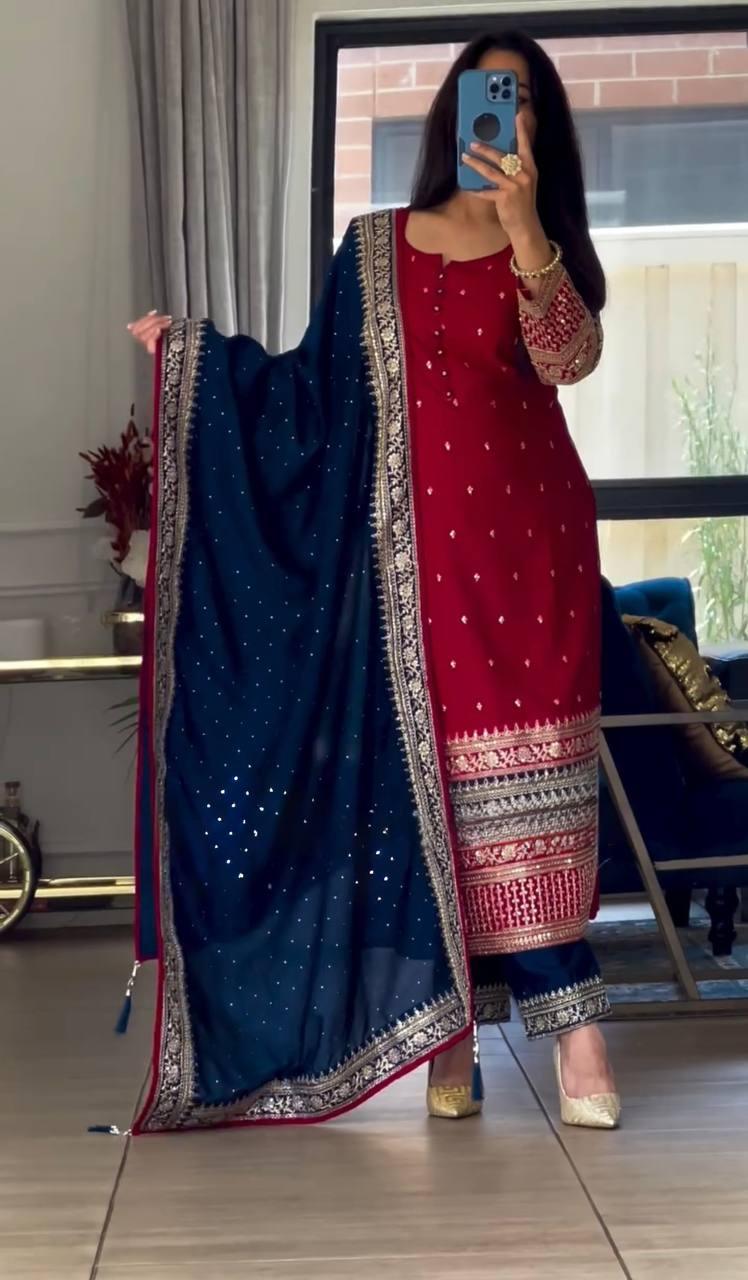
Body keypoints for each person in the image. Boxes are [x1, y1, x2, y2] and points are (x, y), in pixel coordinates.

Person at [128, 30, 619, 1134]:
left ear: (541, 127)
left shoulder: (550, 246)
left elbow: (569, 358)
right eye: (487, 95)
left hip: (529, 559)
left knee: (529, 789)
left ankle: (574, 1025)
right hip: (411, 575)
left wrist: (526, 227)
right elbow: (309, 396)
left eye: (522, 101)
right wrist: (198, 363)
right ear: (452, 112)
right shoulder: (372, 247)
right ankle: (452, 1031)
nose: (502, 116)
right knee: (426, 787)